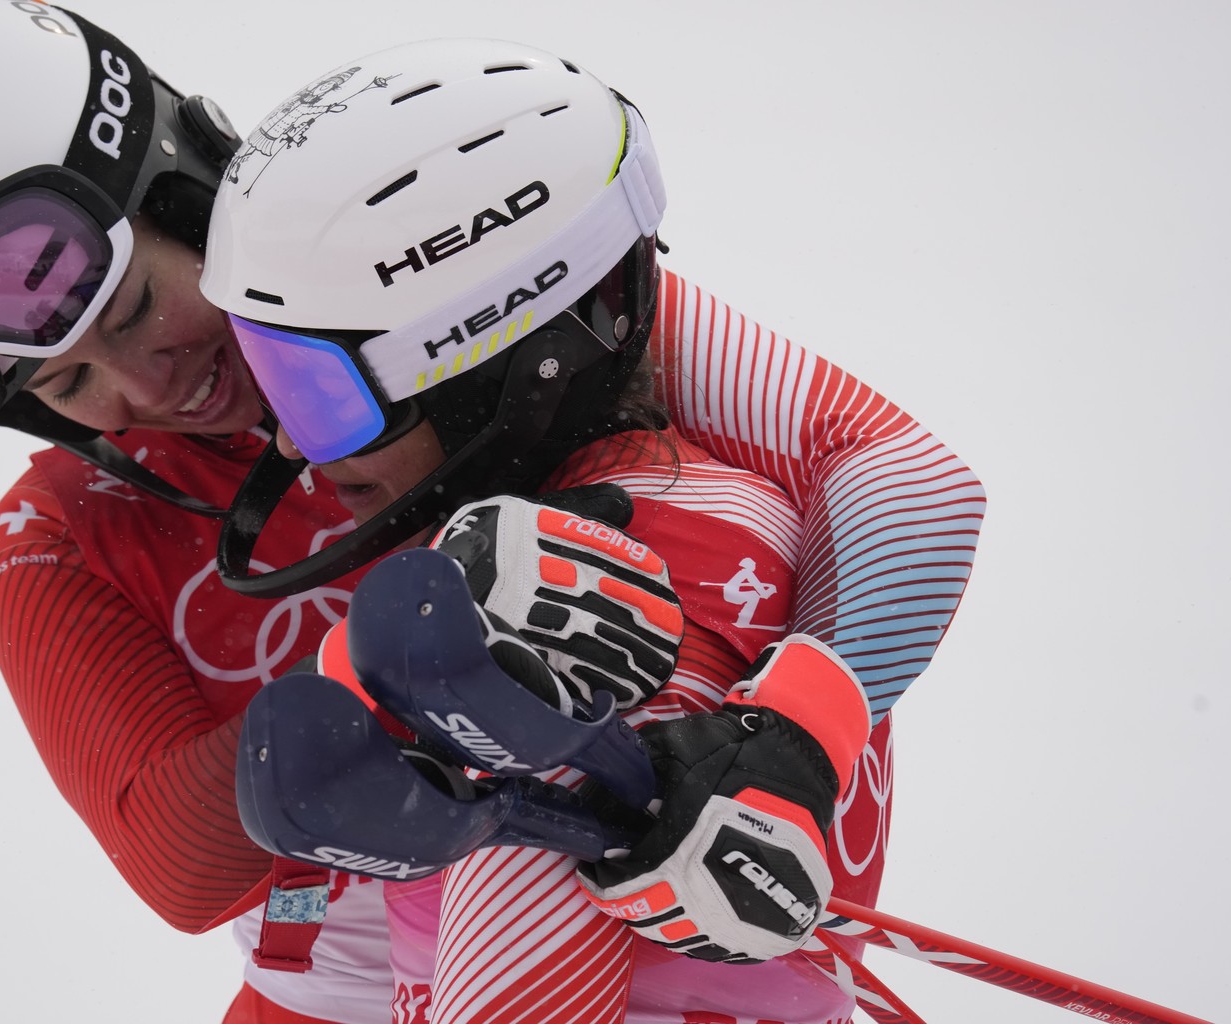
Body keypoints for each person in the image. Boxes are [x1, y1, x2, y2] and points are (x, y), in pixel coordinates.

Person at [0, 2, 985, 1022]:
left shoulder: (397, 266)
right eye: (69, 384)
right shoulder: (59, 531)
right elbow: (175, 859)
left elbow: (892, 477)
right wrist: (389, 667)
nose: (149, 387)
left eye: (133, 312)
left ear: (183, 190)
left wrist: (794, 732)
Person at [201, 37, 976, 1024]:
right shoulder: (629, 502)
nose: (286, 441)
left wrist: (792, 734)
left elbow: (917, 485)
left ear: (498, 369)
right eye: (268, 372)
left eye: (316, 391)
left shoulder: (575, 615)